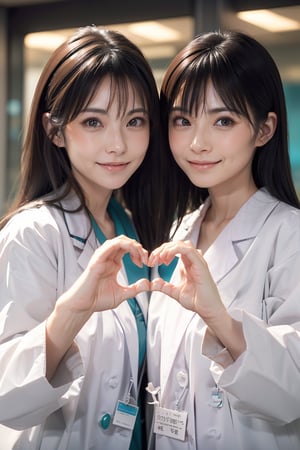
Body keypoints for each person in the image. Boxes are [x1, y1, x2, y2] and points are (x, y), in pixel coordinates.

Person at [0, 25, 164, 450]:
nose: (118, 143)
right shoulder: (33, 234)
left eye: (135, 121)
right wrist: (73, 310)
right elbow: (6, 395)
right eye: (93, 121)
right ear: (55, 131)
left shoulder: (129, 225)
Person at [147, 30, 300, 449]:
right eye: (182, 120)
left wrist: (221, 321)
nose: (197, 142)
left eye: (223, 120)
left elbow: (294, 390)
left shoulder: (290, 235)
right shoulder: (178, 232)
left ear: (264, 129)